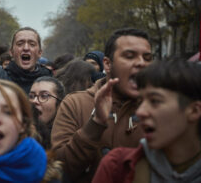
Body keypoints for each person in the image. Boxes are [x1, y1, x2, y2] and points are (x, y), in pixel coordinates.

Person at [51, 28, 153, 182]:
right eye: (130, 56)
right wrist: (95, 123)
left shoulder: (158, 108)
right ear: (107, 64)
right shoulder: (75, 104)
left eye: (147, 57)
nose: (140, 63)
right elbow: (61, 168)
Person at [93, 59, 201, 183]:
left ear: (194, 111)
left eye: (155, 101)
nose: (140, 112)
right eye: (140, 102)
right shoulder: (118, 167)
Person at [29, 76, 65, 149]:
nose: (35, 101)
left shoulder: (65, 138)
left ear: (59, 103)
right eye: (31, 96)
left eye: (44, 96)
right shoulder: (20, 134)